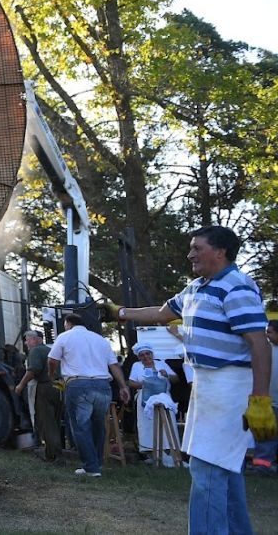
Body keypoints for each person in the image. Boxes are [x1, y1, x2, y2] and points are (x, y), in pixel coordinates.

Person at [112, 225, 275, 533]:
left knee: (206, 469)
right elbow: (162, 313)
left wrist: (260, 399)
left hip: (229, 386)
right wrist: (121, 312)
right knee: (226, 471)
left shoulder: (238, 287)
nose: (190, 255)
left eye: (197, 248)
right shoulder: (196, 287)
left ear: (220, 252)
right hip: (206, 386)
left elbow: (259, 344)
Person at [48, 313, 131, 477]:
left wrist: (51, 376)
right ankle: (96, 463)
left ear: (68, 323)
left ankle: (91, 467)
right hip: (103, 385)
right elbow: (114, 365)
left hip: (78, 384)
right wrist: (123, 386)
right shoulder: (101, 340)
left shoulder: (65, 337)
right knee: (99, 426)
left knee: (81, 427)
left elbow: (52, 360)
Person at [15, 329, 63, 461]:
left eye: (28, 340)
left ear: (36, 340)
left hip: (45, 386)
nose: (26, 343)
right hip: (59, 386)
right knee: (55, 420)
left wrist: (21, 385)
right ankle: (53, 451)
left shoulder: (35, 351)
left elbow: (34, 370)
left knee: (46, 422)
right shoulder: (49, 350)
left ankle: (54, 456)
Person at [127, 343, 179, 461]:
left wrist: (167, 375)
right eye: (142, 355)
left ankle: (169, 449)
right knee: (148, 423)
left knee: (167, 421)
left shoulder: (161, 363)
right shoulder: (137, 366)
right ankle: (150, 451)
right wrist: (142, 385)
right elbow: (130, 382)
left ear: (152, 354)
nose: (146, 357)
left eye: (147, 353)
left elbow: (176, 379)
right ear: (139, 357)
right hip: (145, 397)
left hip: (163, 397)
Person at [247, 319, 278, 473]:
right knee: (265, 436)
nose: (266, 335)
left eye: (269, 332)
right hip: (267, 403)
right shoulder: (264, 350)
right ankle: (262, 466)